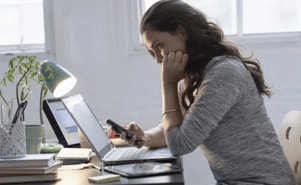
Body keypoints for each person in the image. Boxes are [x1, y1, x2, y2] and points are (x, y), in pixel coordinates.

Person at [120, 0, 296, 184]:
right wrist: (144, 137)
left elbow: (179, 144)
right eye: (151, 52)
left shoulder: (224, 73)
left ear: (181, 32)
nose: (158, 59)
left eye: (159, 46)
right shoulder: (201, 75)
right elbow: (174, 130)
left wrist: (168, 83)